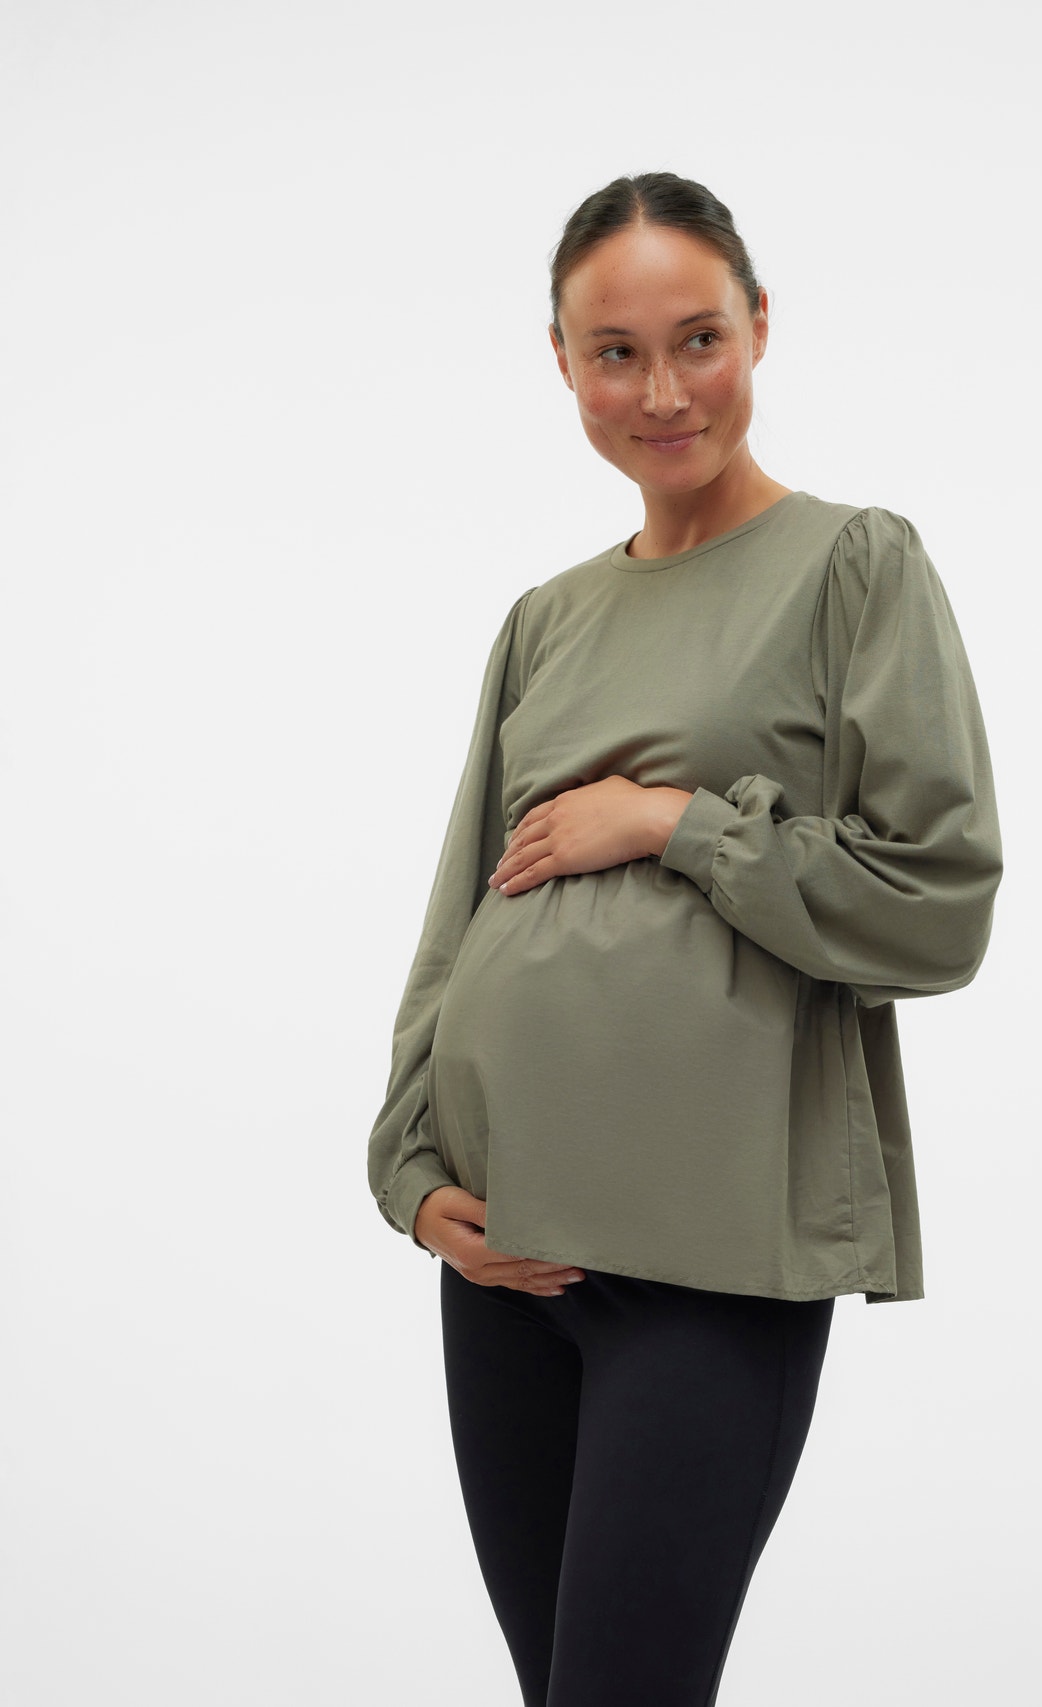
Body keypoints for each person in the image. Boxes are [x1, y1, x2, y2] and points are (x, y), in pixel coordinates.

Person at [365, 171, 1003, 1707]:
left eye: (698, 339)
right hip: (506, 1259)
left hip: (713, 1268)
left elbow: (937, 899)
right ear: (563, 362)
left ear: (760, 326)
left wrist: (671, 824)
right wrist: (410, 1178)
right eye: (617, 353)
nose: (663, 394)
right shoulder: (546, 619)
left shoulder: (854, 568)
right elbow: (458, 921)